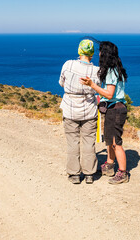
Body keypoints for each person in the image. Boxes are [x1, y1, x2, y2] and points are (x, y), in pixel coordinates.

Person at [80, 41, 129, 184]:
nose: (99, 53)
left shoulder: (111, 72)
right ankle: (109, 165)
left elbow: (109, 94)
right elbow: (109, 95)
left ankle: (123, 173)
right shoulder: (114, 70)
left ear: (105, 54)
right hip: (113, 108)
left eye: (101, 51)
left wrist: (92, 85)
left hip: (116, 110)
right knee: (109, 140)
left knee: (116, 143)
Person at [59, 39, 100, 184]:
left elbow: (61, 82)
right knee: (89, 142)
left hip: (70, 109)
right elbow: (98, 88)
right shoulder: (97, 70)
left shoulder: (68, 64)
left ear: (79, 50)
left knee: (72, 142)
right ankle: (89, 174)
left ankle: (74, 174)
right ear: (92, 53)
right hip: (89, 109)